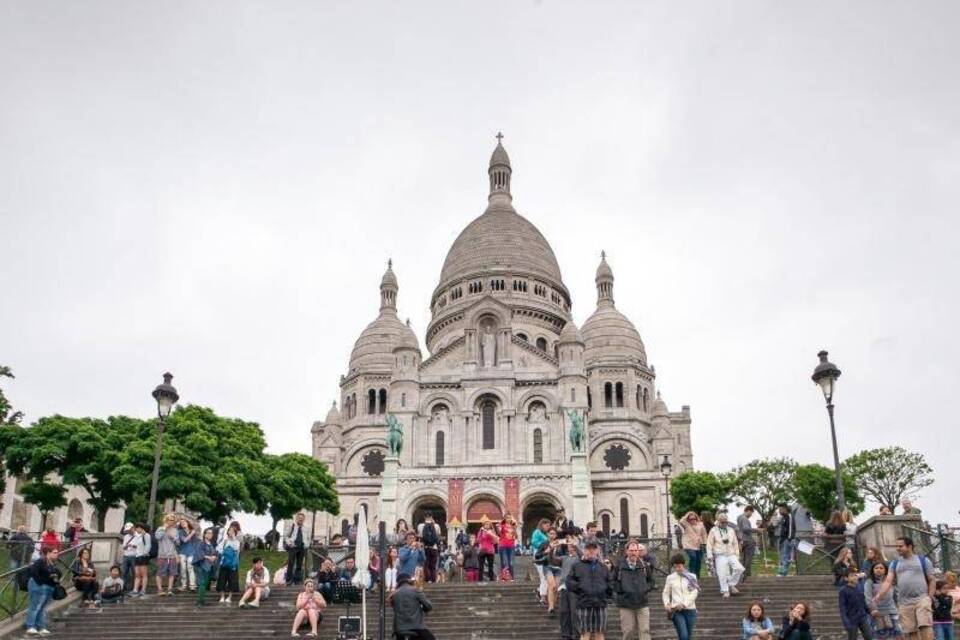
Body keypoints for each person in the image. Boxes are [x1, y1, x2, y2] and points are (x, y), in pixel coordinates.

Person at [872, 536, 936, 640]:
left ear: (910, 546)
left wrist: (929, 597)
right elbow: (888, 581)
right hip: (904, 602)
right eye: (896, 546)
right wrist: (880, 594)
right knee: (911, 631)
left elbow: (932, 580)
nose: (898, 548)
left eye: (900, 546)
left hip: (922, 599)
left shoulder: (923, 560)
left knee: (925, 625)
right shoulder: (895, 563)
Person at [612, 539, 654, 640]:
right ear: (627, 551)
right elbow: (613, 581)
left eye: (635, 550)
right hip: (626, 603)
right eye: (631, 550)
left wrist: (645, 589)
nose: (633, 553)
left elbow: (651, 581)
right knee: (628, 631)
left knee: (644, 630)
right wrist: (622, 591)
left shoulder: (644, 566)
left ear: (638, 552)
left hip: (642, 603)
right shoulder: (619, 566)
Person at [568, 541, 610, 640]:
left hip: (600, 603)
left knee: (600, 633)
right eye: (588, 549)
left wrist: (606, 593)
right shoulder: (576, 566)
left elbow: (610, 582)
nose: (591, 551)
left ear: (598, 551)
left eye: (593, 549)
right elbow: (569, 582)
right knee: (584, 633)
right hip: (583, 603)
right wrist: (581, 589)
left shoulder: (603, 567)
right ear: (584, 550)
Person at [705, 511, 743, 598]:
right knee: (722, 573)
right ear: (718, 521)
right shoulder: (713, 530)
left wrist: (737, 555)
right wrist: (710, 556)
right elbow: (709, 544)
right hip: (720, 554)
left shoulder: (731, 530)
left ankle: (731, 584)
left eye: (726, 521)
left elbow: (735, 543)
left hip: (731, 553)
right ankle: (725, 590)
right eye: (722, 522)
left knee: (739, 568)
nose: (724, 523)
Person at [25, 546, 61, 635]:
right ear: (48, 553)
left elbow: (48, 574)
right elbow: (33, 571)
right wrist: (40, 582)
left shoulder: (51, 563)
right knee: (35, 606)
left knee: (42, 608)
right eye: (55, 552)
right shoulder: (41, 561)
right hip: (38, 586)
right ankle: (30, 626)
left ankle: (41, 626)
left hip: (47, 587)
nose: (57, 554)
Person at [662, 553, 699, 640]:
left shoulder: (692, 577)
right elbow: (666, 593)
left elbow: (694, 593)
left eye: (679, 566)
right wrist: (667, 603)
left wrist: (684, 604)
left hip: (690, 610)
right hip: (676, 610)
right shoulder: (670, 578)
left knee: (688, 635)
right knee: (683, 635)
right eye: (675, 567)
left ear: (683, 564)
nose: (677, 569)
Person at [390, 572, 434, 640]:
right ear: (409, 581)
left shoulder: (394, 595)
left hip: (399, 629)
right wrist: (423, 608)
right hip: (416, 627)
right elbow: (429, 606)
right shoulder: (415, 590)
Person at [864, 562, 901, 638]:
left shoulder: (891, 581)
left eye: (881, 568)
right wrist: (873, 609)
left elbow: (896, 596)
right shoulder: (869, 582)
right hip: (878, 613)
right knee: (881, 635)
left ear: (885, 570)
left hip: (892, 611)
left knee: (898, 633)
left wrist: (899, 607)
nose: (878, 570)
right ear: (873, 570)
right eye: (876, 568)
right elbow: (868, 597)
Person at [557, 537, 582, 640]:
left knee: (574, 611)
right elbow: (552, 560)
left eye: (573, 544)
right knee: (564, 611)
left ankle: (577, 634)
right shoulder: (564, 557)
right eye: (569, 544)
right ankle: (566, 634)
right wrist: (552, 549)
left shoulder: (580, 557)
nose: (570, 545)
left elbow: (582, 555)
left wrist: (576, 545)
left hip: (575, 587)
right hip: (564, 587)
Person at [839, 568, 874, 639]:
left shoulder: (860, 587)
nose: (855, 577)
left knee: (869, 636)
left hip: (862, 616)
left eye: (855, 575)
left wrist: (869, 611)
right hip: (851, 618)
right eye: (852, 576)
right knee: (853, 638)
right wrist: (846, 622)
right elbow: (842, 607)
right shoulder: (843, 590)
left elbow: (863, 601)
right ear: (846, 578)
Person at [155, 514, 180, 596]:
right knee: (160, 573)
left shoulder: (175, 530)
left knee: (172, 573)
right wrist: (164, 528)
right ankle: (160, 590)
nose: (171, 521)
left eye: (173, 520)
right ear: (166, 520)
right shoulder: (160, 528)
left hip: (172, 555)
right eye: (170, 520)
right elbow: (158, 537)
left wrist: (173, 538)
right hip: (162, 555)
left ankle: (169, 590)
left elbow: (178, 543)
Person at [193, 527, 218, 607]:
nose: (210, 535)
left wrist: (214, 557)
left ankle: (202, 600)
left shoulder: (211, 544)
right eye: (208, 533)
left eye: (211, 533)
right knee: (202, 583)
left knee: (205, 584)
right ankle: (200, 602)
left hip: (209, 566)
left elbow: (214, 553)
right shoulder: (201, 543)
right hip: (202, 566)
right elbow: (199, 554)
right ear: (204, 534)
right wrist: (209, 557)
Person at [216, 524, 241, 605]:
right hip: (224, 563)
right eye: (229, 530)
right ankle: (222, 596)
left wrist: (233, 538)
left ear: (235, 532)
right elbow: (219, 549)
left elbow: (237, 550)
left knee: (232, 580)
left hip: (233, 564)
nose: (230, 532)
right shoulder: (224, 540)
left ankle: (229, 597)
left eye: (233, 531)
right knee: (222, 580)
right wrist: (224, 552)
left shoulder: (237, 541)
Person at [678, 512, 708, 578]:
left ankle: (697, 575)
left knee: (699, 560)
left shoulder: (701, 525)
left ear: (696, 518)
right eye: (690, 519)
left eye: (694, 518)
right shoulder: (686, 524)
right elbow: (681, 521)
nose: (692, 520)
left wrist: (704, 543)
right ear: (688, 520)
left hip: (698, 544)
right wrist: (688, 514)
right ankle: (691, 573)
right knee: (693, 557)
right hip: (688, 544)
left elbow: (704, 534)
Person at [284, 512, 308, 586]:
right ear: (296, 518)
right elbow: (286, 536)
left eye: (302, 518)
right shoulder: (292, 526)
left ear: (304, 519)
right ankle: (288, 580)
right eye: (299, 518)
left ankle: (297, 580)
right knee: (290, 563)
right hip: (293, 546)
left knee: (299, 564)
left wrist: (307, 544)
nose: (300, 520)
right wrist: (289, 543)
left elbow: (308, 538)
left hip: (302, 547)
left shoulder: (306, 528)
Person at [531, 518, 551, 605]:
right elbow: (534, 542)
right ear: (542, 524)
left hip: (546, 555)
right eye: (547, 525)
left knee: (545, 576)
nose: (548, 527)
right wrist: (544, 545)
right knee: (543, 576)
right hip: (539, 554)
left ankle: (539, 590)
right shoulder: (537, 532)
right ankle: (542, 597)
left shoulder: (544, 534)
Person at [418, 513, 442, 583]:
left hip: (425, 547)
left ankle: (428, 579)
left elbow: (420, 535)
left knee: (426, 564)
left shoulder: (420, 526)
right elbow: (438, 535)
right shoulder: (436, 526)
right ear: (431, 517)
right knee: (433, 565)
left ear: (424, 517)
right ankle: (433, 579)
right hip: (434, 548)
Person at [775, 503, 797, 577]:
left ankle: (783, 573)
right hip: (783, 539)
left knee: (785, 556)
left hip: (788, 539)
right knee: (782, 556)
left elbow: (791, 528)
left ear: (785, 509)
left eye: (780, 510)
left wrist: (789, 539)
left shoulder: (789, 516)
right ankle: (783, 572)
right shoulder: (783, 518)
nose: (779, 511)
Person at [176, 518, 198, 591]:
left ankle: (192, 586)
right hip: (183, 552)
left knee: (190, 568)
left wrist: (195, 552)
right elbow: (184, 540)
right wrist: (192, 533)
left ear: (187, 522)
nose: (183, 523)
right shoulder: (180, 532)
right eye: (181, 523)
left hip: (191, 552)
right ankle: (184, 585)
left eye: (184, 522)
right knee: (183, 569)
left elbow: (195, 542)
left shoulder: (193, 531)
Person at [130, 522, 151, 597]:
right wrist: (133, 546)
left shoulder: (146, 535)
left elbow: (148, 545)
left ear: (141, 528)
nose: (136, 529)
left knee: (144, 574)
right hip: (137, 556)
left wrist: (144, 553)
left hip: (143, 557)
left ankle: (143, 590)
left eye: (137, 527)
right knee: (137, 574)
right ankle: (135, 590)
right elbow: (138, 546)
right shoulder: (138, 536)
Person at [737, 507, 758, 581]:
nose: (751, 515)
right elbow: (746, 529)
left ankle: (741, 574)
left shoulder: (739, 517)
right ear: (748, 511)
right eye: (751, 513)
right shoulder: (744, 518)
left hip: (741, 539)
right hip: (748, 540)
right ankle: (747, 574)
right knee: (748, 558)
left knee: (743, 558)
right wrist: (757, 530)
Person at [477, 516, 499, 582]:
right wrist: (481, 533)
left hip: (490, 550)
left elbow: (495, 541)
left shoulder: (492, 532)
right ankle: (480, 580)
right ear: (483, 525)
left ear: (490, 526)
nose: (487, 525)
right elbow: (478, 540)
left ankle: (491, 579)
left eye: (488, 524)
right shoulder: (481, 531)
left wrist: (491, 535)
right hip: (483, 550)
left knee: (490, 566)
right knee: (481, 566)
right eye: (486, 524)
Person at [498, 514, 518, 580]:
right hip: (503, 546)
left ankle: (512, 578)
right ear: (505, 519)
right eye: (507, 518)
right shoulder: (502, 526)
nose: (508, 519)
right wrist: (499, 526)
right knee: (504, 563)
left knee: (511, 563)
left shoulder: (513, 527)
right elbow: (499, 533)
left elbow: (516, 536)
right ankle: (504, 578)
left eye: (510, 518)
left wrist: (515, 529)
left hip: (511, 546)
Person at [119, 522, 138, 590]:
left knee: (134, 572)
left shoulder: (138, 536)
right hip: (126, 555)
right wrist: (126, 546)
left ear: (133, 528)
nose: (128, 532)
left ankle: (134, 587)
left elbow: (140, 546)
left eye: (129, 530)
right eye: (127, 531)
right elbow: (123, 547)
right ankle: (123, 586)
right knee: (124, 572)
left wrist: (133, 545)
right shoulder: (126, 536)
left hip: (134, 556)